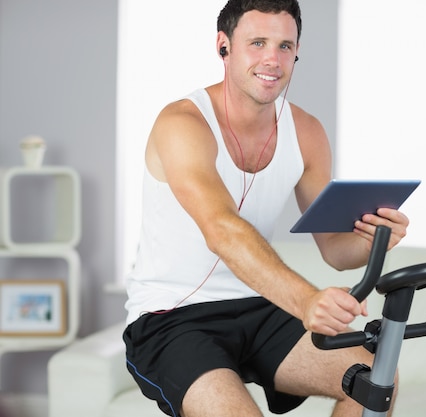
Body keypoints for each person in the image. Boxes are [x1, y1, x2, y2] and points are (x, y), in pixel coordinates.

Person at [123, 1, 410, 416]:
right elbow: (221, 228)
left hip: (257, 305)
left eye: (284, 46)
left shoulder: (307, 132)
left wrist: (379, 238)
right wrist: (306, 299)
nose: (272, 60)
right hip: (172, 316)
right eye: (257, 43)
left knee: (375, 376)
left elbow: (334, 248)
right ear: (224, 46)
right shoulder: (183, 123)